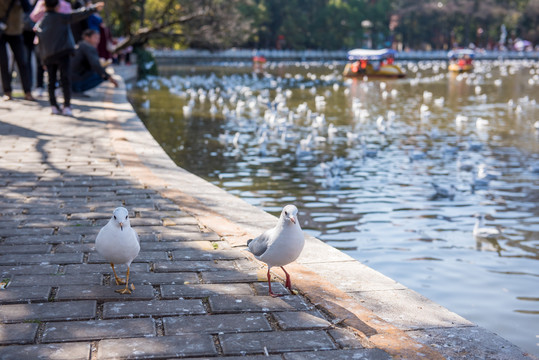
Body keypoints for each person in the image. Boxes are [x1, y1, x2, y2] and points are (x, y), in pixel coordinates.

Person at [33, 0, 103, 116]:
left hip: (48, 55)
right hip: (63, 53)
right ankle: (67, 106)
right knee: (65, 79)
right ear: (57, 6)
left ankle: (53, 106)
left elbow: (39, 43)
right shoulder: (62, 18)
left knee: (51, 81)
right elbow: (78, 14)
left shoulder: (41, 23)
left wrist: (42, 59)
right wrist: (93, 8)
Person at [0, 0, 35, 101]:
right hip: (1, 32)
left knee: (22, 62)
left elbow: (28, 9)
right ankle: (7, 92)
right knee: (3, 62)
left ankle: (27, 91)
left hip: (16, 32)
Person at [71, 28, 118, 93]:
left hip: (69, 81)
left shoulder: (80, 45)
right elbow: (96, 65)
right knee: (101, 75)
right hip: (75, 82)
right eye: (95, 38)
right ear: (87, 37)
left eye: (98, 38)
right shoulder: (88, 47)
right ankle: (78, 90)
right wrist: (110, 78)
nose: (97, 41)